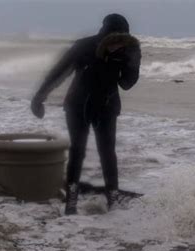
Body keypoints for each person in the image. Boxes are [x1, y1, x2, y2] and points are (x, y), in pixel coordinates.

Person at [30, 14, 141, 215]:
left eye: (123, 37)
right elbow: (60, 71)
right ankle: (72, 205)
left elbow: (126, 83)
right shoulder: (84, 46)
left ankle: (110, 202)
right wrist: (39, 97)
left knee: (105, 153)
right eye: (116, 36)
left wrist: (131, 61)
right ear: (106, 32)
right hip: (78, 105)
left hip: (105, 107)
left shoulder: (127, 50)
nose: (118, 40)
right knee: (81, 151)